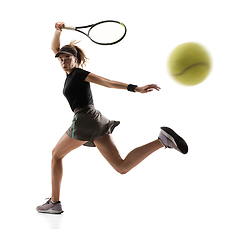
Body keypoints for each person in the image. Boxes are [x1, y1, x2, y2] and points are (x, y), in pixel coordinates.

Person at [36, 22, 188, 214]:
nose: (63, 61)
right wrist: (57, 31)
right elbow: (54, 48)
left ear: (76, 60)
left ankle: (55, 203)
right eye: (61, 59)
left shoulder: (78, 74)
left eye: (67, 58)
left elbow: (107, 82)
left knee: (56, 155)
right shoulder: (69, 73)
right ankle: (162, 140)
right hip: (96, 119)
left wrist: (135, 88)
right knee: (121, 166)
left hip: (85, 120)